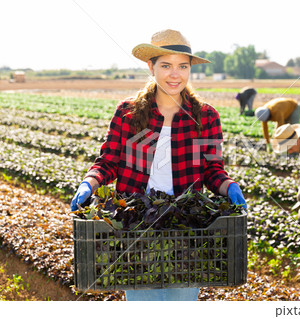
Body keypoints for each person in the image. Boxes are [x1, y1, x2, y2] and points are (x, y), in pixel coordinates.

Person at [70, 29, 246, 301]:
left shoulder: (206, 116)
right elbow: (109, 161)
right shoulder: (128, 112)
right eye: (166, 65)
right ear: (151, 66)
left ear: (190, 69)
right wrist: (89, 183)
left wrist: (229, 186)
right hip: (135, 223)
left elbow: (213, 169)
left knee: (182, 300)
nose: (175, 74)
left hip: (187, 225)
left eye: (182, 66)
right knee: (142, 300)